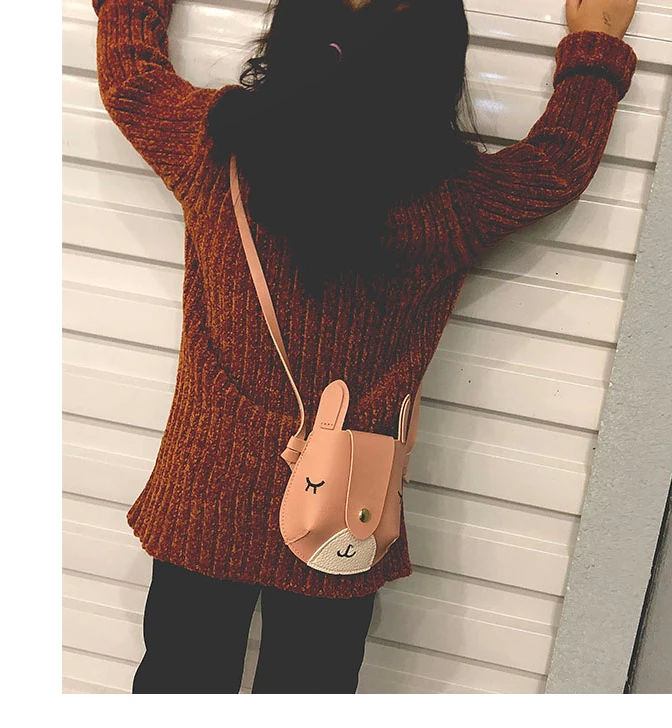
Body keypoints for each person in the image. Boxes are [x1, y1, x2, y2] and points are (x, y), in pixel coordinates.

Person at [91, 0, 638, 694]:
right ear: (439, 66)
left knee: (179, 679)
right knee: (311, 688)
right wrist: (594, 46)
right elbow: (558, 163)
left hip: (206, 495)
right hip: (346, 509)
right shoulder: (454, 201)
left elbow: (132, 80)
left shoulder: (215, 147)